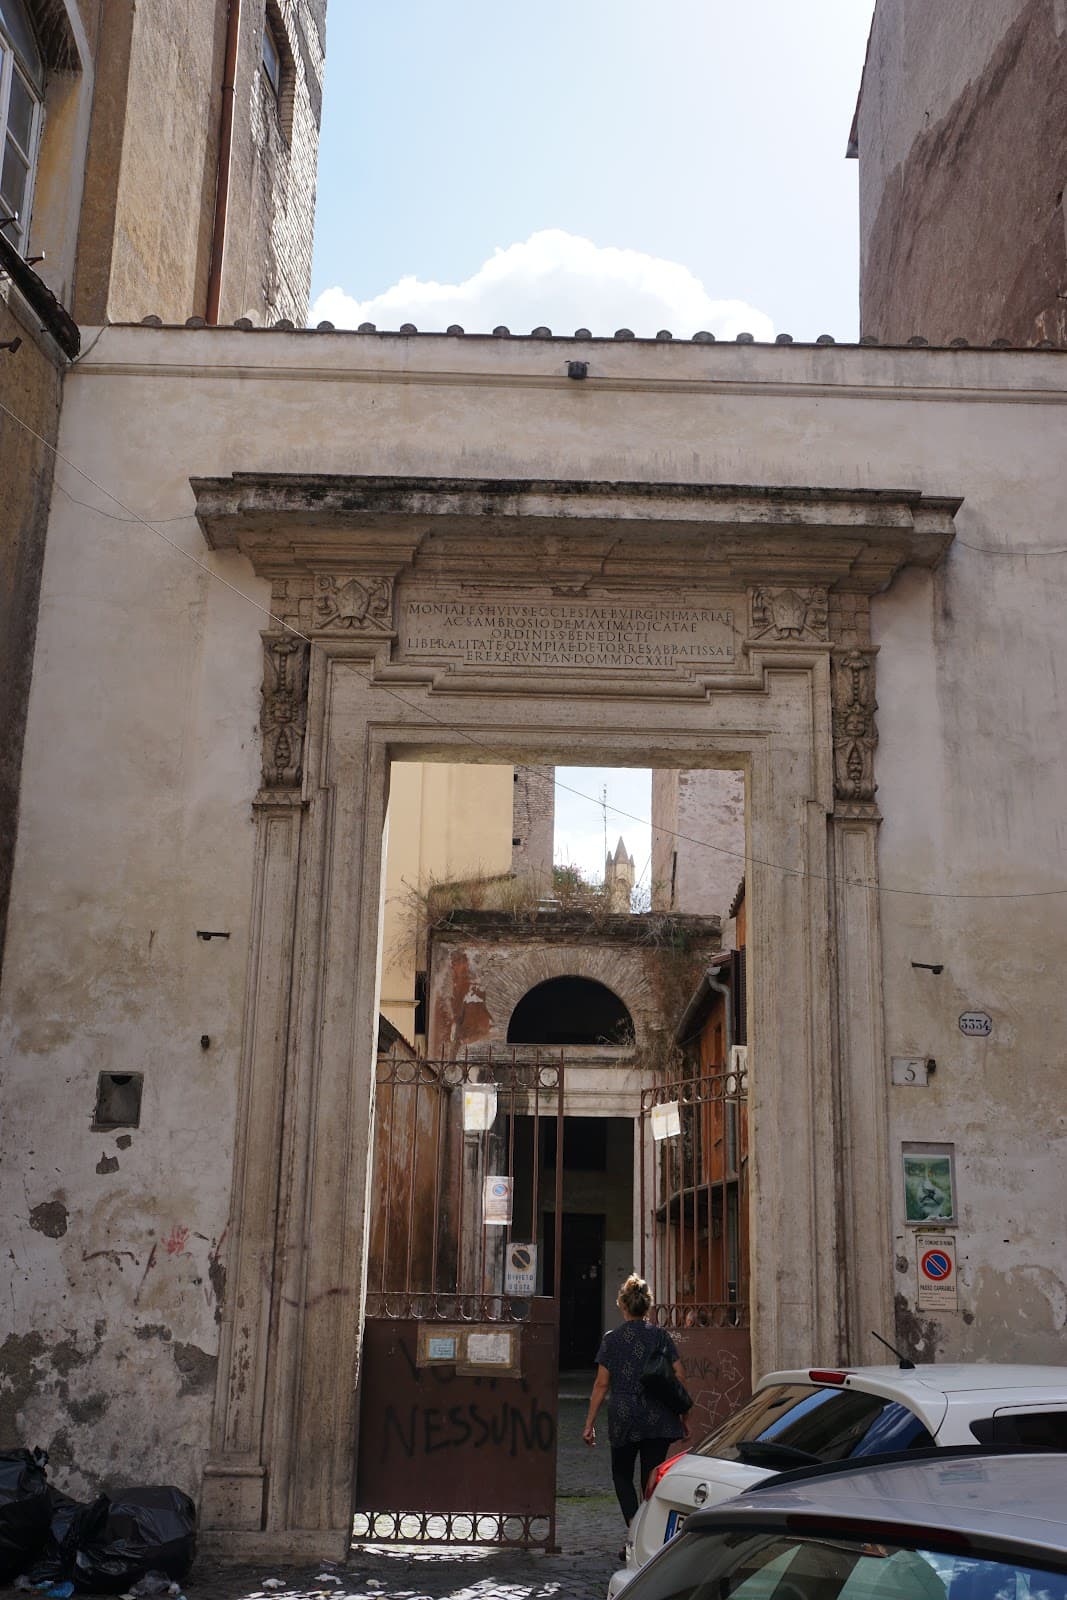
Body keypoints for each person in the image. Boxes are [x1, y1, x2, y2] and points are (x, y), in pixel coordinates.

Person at [582, 1273, 691, 1529]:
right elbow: (680, 1376)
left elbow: (601, 1384)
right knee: (650, 1479)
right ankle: (648, 1532)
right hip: (658, 1417)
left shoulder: (611, 1340)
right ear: (647, 1305)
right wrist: (684, 1416)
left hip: (624, 1416)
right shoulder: (660, 1336)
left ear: (622, 1304)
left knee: (621, 1475)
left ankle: (634, 1527)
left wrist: (589, 1423)